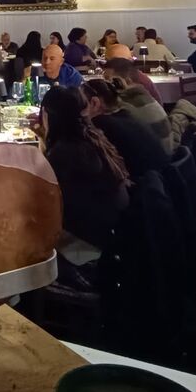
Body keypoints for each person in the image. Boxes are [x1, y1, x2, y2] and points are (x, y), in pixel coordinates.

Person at [40, 87, 130, 261]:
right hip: (116, 229)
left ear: (47, 115)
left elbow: (49, 201)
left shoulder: (66, 152)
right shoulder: (92, 137)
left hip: (91, 244)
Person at [80, 79, 168, 178]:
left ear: (94, 103)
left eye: (81, 103)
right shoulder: (127, 115)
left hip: (143, 184)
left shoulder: (100, 124)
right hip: (162, 180)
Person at [101, 59, 173, 153]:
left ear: (125, 81)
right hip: (165, 154)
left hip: (151, 158)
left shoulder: (127, 105)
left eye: (108, 80)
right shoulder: (143, 96)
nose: (105, 84)